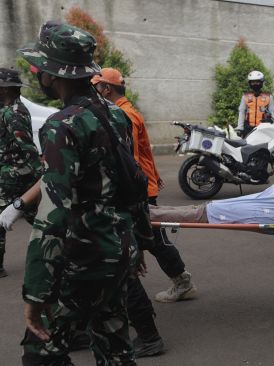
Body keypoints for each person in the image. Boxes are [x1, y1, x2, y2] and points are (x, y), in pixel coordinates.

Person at [17, 21, 142, 365]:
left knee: (41, 350)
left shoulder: (63, 125)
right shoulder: (115, 114)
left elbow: (53, 214)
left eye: (39, 66)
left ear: (52, 73)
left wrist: (37, 292)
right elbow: (132, 182)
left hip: (82, 259)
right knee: (115, 347)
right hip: (118, 250)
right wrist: (139, 243)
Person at [91, 68, 197, 305]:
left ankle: (182, 282)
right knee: (151, 240)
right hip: (143, 188)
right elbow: (144, 153)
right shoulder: (126, 112)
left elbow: (132, 160)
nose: (94, 91)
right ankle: (181, 281)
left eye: (97, 86)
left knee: (151, 240)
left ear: (107, 88)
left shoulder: (123, 115)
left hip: (137, 192)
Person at [0, 68, 41, 278]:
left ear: (5, 89)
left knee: (3, 218)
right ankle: (61, 250)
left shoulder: (13, 112)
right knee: (34, 215)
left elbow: (27, 146)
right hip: (15, 174)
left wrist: (40, 175)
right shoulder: (12, 108)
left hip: (12, 176)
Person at [236, 70, 274, 137]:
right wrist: (240, 128)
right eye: (253, 82)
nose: (255, 84)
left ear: (261, 83)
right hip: (248, 128)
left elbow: (272, 112)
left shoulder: (268, 97)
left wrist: (272, 123)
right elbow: (242, 112)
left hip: (263, 129)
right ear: (250, 83)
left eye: (257, 82)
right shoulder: (245, 96)